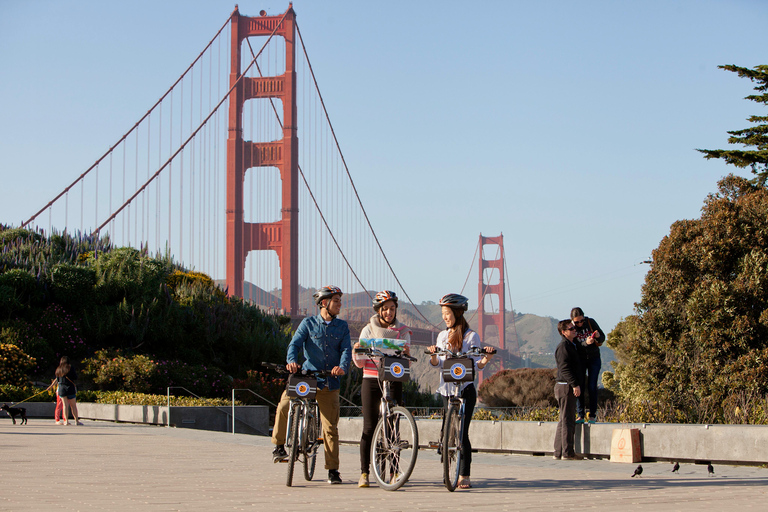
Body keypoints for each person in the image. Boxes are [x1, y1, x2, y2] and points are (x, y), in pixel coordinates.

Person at [270, 285, 352, 485]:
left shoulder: (342, 327)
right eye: (336, 301)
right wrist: (291, 361)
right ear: (324, 303)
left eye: (340, 300)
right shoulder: (307, 324)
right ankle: (279, 446)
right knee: (284, 405)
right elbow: (294, 345)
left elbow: (346, 350)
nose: (340, 304)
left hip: (329, 381)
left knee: (330, 428)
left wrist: (341, 367)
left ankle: (333, 470)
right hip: (307, 378)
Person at [427, 293, 494, 490]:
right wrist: (433, 355)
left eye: (447, 313)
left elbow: (476, 365)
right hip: (446, 390)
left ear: (457, 313)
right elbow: (438, 363)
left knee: (462, 433)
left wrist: (487, 358)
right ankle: (447, 472)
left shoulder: (471, 336)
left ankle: (464, 474)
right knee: (447, 432)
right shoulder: (442, 336)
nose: (444, 317)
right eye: (443, 314)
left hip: (465, 389)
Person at [352, 290, 412, 488]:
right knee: (369, 427)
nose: (389, 312)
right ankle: (364, 473)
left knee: (393, 427)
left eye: (392, 308)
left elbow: (407, 363)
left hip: (393, 378)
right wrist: (356, 351)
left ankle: (394, 472)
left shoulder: (403, 331)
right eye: (385, 309)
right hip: (371, 379)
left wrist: (407, 353)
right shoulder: (368, 330)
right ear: (378, 310)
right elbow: (360, 363)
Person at [553, 320, 582, 460]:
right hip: (565, 386)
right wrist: (575, 384)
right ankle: (567, 453)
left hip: (565, 386)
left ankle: (558, 452)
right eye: (571, 329)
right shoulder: (563, 347)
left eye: (574, 328)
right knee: (568, 420)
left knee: (563, 420)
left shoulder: (571, 345)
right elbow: (564, 368)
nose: (574, 330)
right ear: (563, 332)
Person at [570, 307, 605, 424]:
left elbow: (602, 338)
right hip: (580, 359)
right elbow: (574, 345)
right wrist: (586, 343)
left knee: (592, 386)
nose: (580, 324)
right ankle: (580, 414)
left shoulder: (590, 322)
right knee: (580, 386)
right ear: (572, 321)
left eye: (582, 321)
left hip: (594, 358)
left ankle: (592, 415)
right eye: (577, 322)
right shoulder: (571, 328)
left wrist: (597, 336)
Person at [55, 356, 82, 426]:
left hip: (62, 388)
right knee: (73, 406)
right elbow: (75, 377)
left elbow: (58, 379)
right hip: (70, 388)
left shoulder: (59, 369)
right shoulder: (70, 367)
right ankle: (76, 421)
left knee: (65, 405)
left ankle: (66, 421)